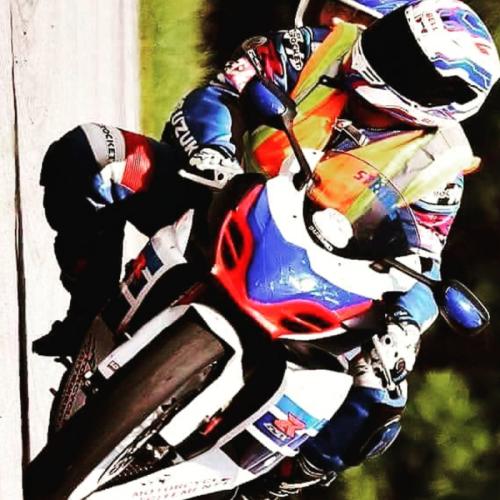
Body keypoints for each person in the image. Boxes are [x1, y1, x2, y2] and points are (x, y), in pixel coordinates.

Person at [33, 0, 500, 497]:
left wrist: (405, 326)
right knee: (91, 153)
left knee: (383, 395)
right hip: (222, 200)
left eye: (407, 62)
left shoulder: (440, 167)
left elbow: (423, 259)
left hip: (322, 280)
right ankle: (85, 317)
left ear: (444, 100)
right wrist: (213, 149)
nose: (386, 55)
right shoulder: (319, 47)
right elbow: (225, 88)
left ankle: (281, 481)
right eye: (394, 38)